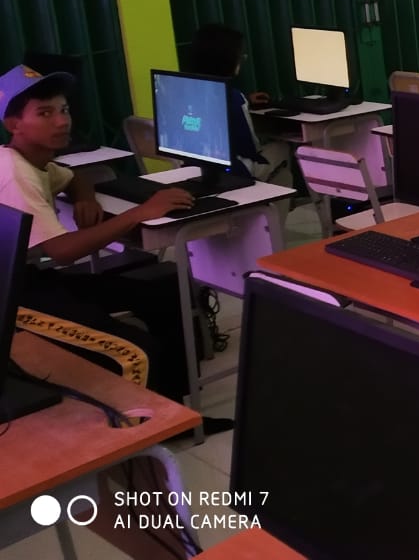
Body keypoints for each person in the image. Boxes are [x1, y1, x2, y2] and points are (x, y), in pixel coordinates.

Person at [0, 66, 233, 431]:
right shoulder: (14, 174)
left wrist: (85, 197)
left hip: (32, 280)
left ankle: (176, 414)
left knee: (164, 289)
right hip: (12, 301)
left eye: (64, 109)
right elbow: (62, 251)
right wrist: (141, 212)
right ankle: (144, 437)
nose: (62, 121)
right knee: (135, 351)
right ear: (14, 124)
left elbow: (73, 177)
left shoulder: (33, 161)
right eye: (45, 113)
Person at [184, 23, 292, 185]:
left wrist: (247, 101)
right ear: (227, 60)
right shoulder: (233, 98)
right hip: (237, 170)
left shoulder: (186, 90)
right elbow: (251, 148)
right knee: (282, 147)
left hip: (195, 166)